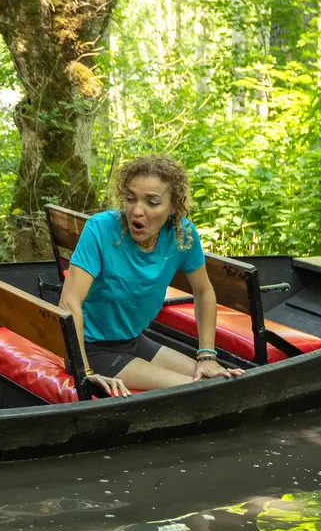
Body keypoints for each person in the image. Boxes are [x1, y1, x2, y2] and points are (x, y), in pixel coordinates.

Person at [59, 155, 244, 397]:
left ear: (173, 207)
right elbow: (69, 302)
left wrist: (207, 356)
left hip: (133, 341)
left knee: (216, 381)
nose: (137, 211)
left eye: (152, 202)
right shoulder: (100, 228)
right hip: (90, 350)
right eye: (130, 198)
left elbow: (203, 291)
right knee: (197, 389)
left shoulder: (182, 234)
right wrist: (85, 371)